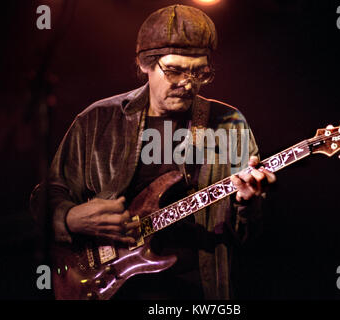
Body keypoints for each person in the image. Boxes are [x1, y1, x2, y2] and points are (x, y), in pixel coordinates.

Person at [46, 4, 276, 300]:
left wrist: (247, 203)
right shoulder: (96, 120)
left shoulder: (230, 125)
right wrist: (69, 218)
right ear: (145, 64)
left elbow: (251, 239)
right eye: (175, 70)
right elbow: (48, 194)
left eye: (199, 72)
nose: (187, 83)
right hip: (107, 287)